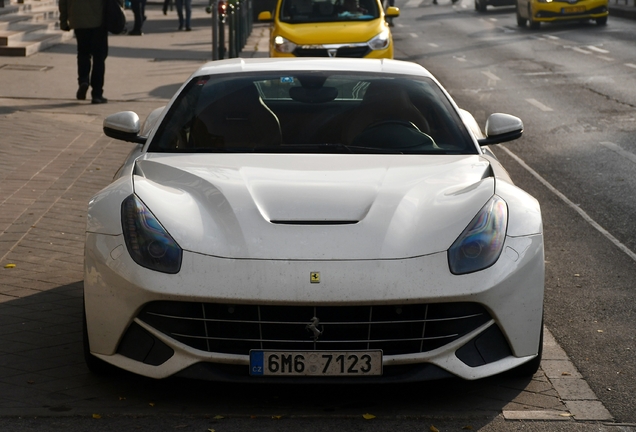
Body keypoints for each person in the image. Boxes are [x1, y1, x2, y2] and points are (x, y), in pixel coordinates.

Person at [59, 0, 113, 104]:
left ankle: (83, 80)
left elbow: (63, 2)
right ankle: (97, 93)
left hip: (78, 20)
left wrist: (63, 21)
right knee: (99, 58)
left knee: (83, 53)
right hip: (98, 21)